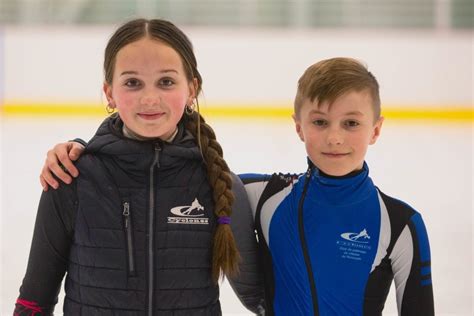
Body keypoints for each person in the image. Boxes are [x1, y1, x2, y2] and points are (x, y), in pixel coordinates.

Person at [39, 58, 435, 315]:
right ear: (298, 126)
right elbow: (161, 180)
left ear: (376, 129)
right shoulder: (260, 197)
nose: (334, 138)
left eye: (351, 123)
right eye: (319, 122)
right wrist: (80, 150)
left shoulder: (400, 224)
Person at [15, 18, 264, 316]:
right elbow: (33, 300)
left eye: (166, 82)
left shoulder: (218, 184)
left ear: (192, 89)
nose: (149, 98)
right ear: (109, 92)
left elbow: (262, 299)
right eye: (132, 82)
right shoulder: (72, 178)